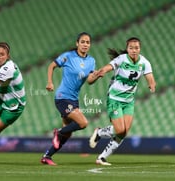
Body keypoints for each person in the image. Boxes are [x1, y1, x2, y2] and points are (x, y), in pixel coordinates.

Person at [89, 37, 156, 165]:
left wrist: (152, 84)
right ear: (127, 49)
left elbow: (150, 77)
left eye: (136, 48)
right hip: (115, 98)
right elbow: (109, 66)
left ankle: (101, 157)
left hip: (129, 101)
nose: (134, 50)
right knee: (119, 130)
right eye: (131, 48)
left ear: (139, 49)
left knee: (123, 132)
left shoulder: (144, 62)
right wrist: (101, 72)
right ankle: (99, 132)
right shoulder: (122, 59)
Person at [40, 32, 102, 166]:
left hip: (74, 99)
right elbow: (52, 65)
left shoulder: (91, 61)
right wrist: (50, 82)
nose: (85, 44)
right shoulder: (68, 56)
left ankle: (47, 156)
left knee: (67, 134)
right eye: (83, 42)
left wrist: (96, 76)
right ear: (77, 43)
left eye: (88, 42)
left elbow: (89, 81)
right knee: (83, 123)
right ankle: (58, 132)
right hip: (63, 97)